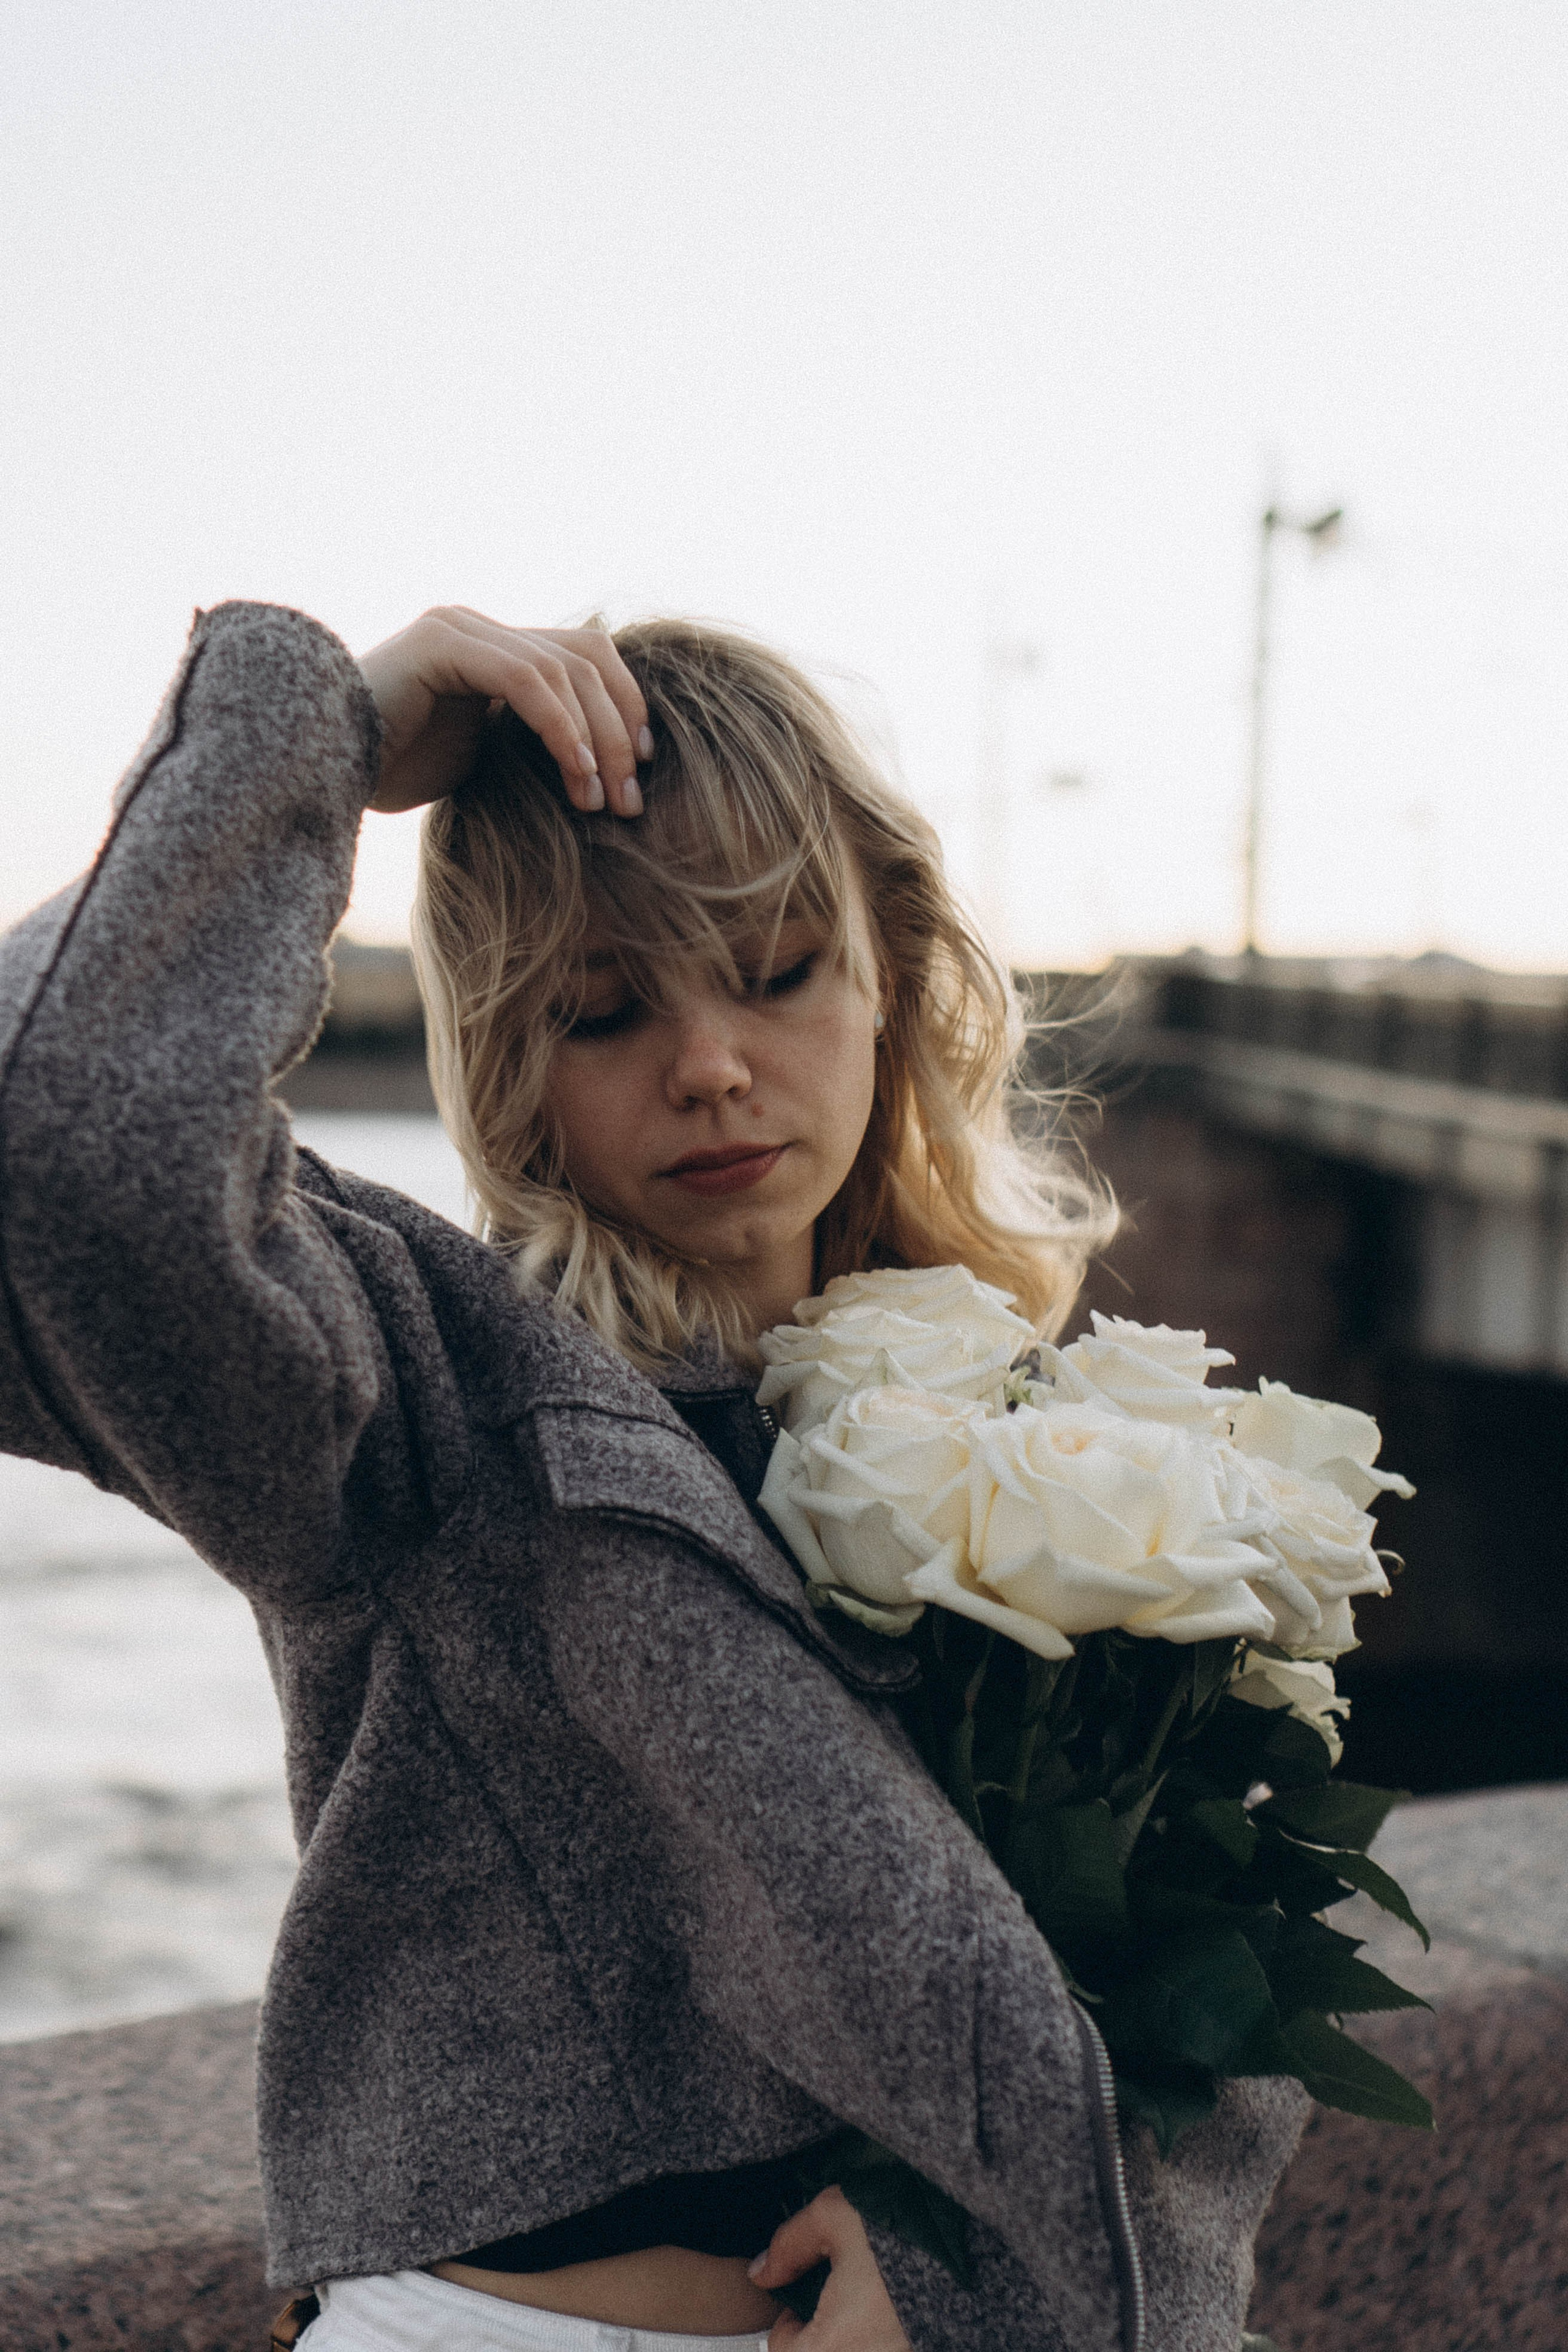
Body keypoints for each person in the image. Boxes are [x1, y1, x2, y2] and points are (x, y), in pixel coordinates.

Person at [0, 601, 1306, 2352]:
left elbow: (1228, 1954)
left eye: (777, 972)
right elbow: (61, 1150)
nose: (709, 1066)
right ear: (507, 1057)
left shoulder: (1049, 1428)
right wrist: (322, 733)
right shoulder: (411, 1384)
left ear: (892, 974)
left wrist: (981, 2277)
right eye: (603, 1012)